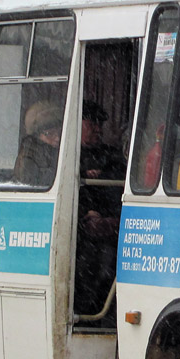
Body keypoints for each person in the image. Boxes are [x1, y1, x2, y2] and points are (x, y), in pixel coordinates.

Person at [76, 101, 126, 317]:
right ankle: (89, 313)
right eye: (92, 123)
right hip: (82, 233)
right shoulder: (67, 157)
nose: (98, 128)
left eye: (100, 124)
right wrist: (86, 213)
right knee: (94, 266)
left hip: (110, 226)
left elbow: (118, 190)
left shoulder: (111, 156)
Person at [13, 100, 63, 187]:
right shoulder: (29, 157)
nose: (57, 138)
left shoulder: (55, 152)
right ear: (37, 135)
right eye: (50, 134)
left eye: (59, 133)